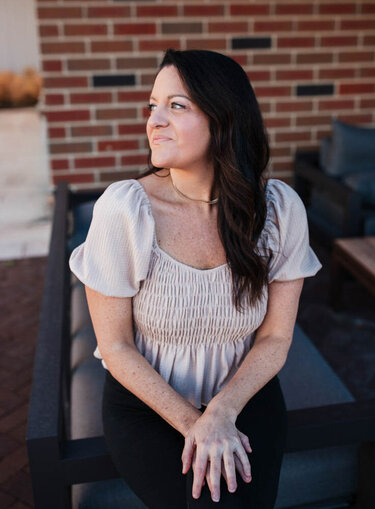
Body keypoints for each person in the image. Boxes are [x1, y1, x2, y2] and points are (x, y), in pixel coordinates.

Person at [69, 48, 322, 508]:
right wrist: (195, 423)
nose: (154, 120)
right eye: (153, 105)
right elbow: (117, 347)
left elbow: (276, 338)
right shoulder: (126, 209)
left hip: (247, 393)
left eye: (176, 105)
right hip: (148, 402)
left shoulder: (280, 210)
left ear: (224, 119)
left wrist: (222, 412)